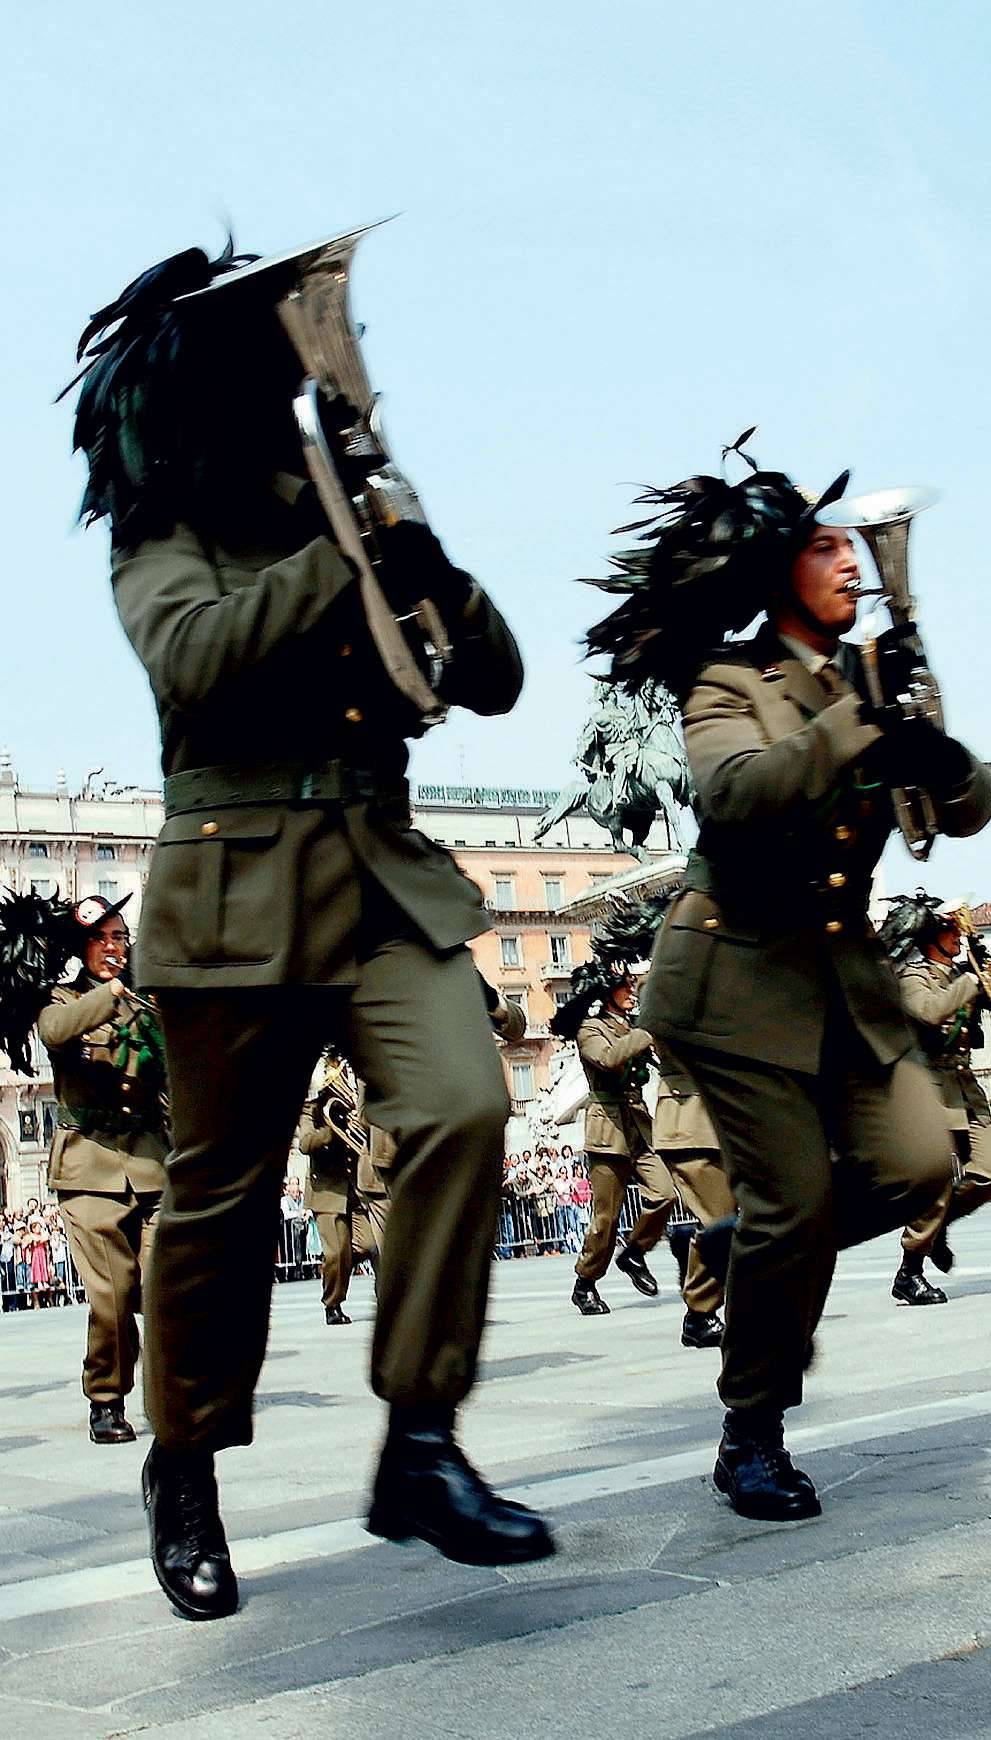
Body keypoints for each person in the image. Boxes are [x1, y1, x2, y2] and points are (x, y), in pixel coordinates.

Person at [63, 232, 552, 1620]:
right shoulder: (165, 520)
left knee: (461, 1107)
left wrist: (423, 555)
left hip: (381, 871)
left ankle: (418, 1442)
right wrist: (344, 556)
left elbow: (497, 677)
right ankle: (187, 1464)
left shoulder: (341, 492)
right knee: (217, 1203)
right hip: (235, 877)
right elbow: (192, 657)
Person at [586, 433, 990, 1521]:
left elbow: (957, 807)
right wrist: (865, 722)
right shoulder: (729, 681)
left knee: (917, 1166)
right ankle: (748, 1434)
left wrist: (945, 762)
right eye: (829, 547)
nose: (857, 561)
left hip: (836, 981)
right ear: (780, 574)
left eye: (858, 545)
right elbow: (740, 794)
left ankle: (737, 1242)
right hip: (730, 978)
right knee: (798, 1201)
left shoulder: (872, 672)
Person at [34, 895, 168, 1441]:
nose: (115, 948)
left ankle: (169, 1401)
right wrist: (114, 992)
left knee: (163, 1290)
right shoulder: (57, 999)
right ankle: (107, 1396)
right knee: (112, 1295)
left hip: (151, 1163)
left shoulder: (147, 1004)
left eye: (121, 937)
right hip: (89, 1167)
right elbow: (57, 1031)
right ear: (81, 947)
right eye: (103, 939)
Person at [551, 958, 682, 1313]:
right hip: (607, 1128)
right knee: (605, 1218)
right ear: (607, 992)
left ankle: (635, 1252)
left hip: (638, 1124)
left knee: (665, 1193)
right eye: (625, 986)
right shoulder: (590, 1029)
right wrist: (645, 1031)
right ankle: (585, 1282)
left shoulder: (634, 1025)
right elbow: (608, 1060)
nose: (631, 991)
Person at [878, 894, 991, 1304]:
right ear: (932, 939)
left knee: (988, 1171)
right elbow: (929, 1011)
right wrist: (972, 981)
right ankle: (909, 1273)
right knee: (936, 1185)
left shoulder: (963, 971)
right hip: (932, 1090)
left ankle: (939, 1227)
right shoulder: (914, 977)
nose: (958, 938)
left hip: (964, 1087)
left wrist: (981, 975)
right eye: (950, 931)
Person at [298, 1059, 378, 1325]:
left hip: (355, 1188)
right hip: (326, 1191)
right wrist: (332, 1130)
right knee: (335, 1253)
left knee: (367, 1244)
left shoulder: (352, 1105)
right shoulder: (311, 1109)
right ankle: (332, 1304)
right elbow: (306, 1143)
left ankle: (335, 1270)